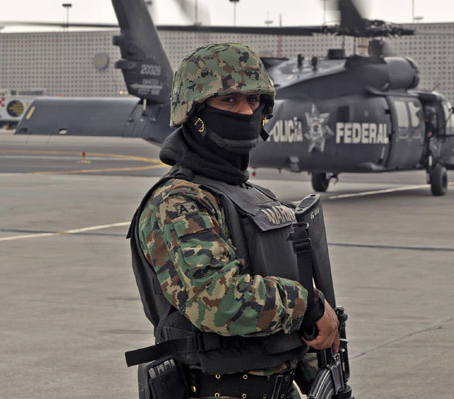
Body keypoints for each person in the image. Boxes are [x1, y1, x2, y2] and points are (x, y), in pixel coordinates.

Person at [126, 43, 340, 399]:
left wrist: (317, 367)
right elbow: (218, 300)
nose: (245, 112)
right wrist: (308, 306)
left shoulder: (256, 198)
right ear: (193, 111)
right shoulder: (178, 202)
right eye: (229, 101)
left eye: (254, 101)